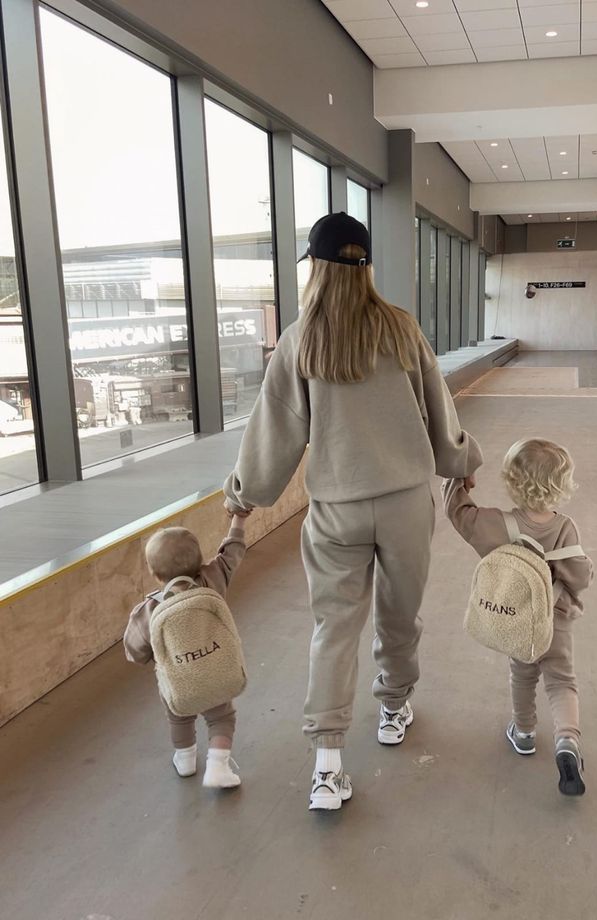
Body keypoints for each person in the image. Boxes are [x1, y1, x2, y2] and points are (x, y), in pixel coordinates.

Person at [224, 212, 482, 811]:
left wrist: (244, 494)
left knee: (333, 628)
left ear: (314, 266)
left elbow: (274, 436)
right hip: (405, 503)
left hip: (335, 511)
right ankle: (393, 707)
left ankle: (328, 764)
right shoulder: (400, 329)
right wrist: (460, 460)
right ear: (367, 265)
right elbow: (438, 410)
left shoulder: (301, 340)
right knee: (400, 612)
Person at [442, 438, 593, 796]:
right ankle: (567, 741)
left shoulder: (496, 524)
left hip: (518, 620)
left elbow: (459, 515)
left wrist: (456, 479)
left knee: (522, 673)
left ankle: (524, 732)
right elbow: (581, 577)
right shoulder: (565, 528)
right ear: (563, 485)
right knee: (561, 680)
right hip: (555, 619)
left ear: (512, 481)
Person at [123, 512, 249, 789]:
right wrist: (238, 520)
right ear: (200, 562)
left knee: (178, 715)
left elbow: (134, 651)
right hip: (217, 673)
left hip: (180, 683)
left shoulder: (148, 609)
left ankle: (186, 758)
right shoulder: (212, 580)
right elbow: (233, 554)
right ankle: (218, 765)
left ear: (154, 573)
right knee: (222, 716)